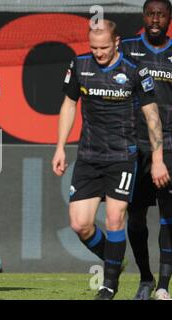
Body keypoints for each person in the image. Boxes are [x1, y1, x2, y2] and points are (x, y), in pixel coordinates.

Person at [52, 20, 170, 300]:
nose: (99, 53)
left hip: (122, 157)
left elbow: (152, 115)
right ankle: (114, 259)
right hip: (89, 156)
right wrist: (60, 148)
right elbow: (69, 104)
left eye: (104, 47)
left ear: (117, 42)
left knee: (116, 218)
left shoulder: (134, 70)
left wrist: (157, 159)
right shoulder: (80, 65)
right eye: (93, 47)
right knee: (80, 225)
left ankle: (109, 286)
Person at [121, 0, 172, 300]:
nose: (155, 20)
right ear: (143, 16)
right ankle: (145, 277)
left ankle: (164, 285)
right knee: (136, 216)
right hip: (134, 144)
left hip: (169, 143)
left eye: (161, 15)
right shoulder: (127, 49)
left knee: (168, 216)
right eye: (151, 14)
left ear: (169, 19)